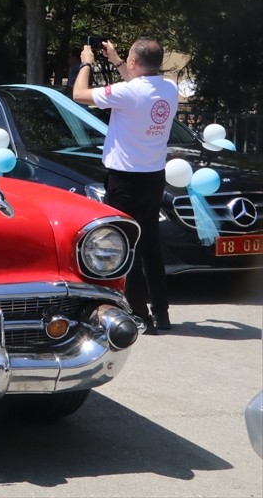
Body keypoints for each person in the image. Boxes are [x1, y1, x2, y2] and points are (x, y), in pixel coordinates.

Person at [73, 38, 178, 335]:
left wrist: (87, 62)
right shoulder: (168, 88)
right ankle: (162, 313)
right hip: (154, 175)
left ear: (134, 63)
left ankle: (139, 314)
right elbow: (138, 82)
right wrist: (119, 60)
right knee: (150, 246)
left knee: (124, 244)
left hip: (125, 177)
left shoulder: (128, 92)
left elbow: (79, 94)